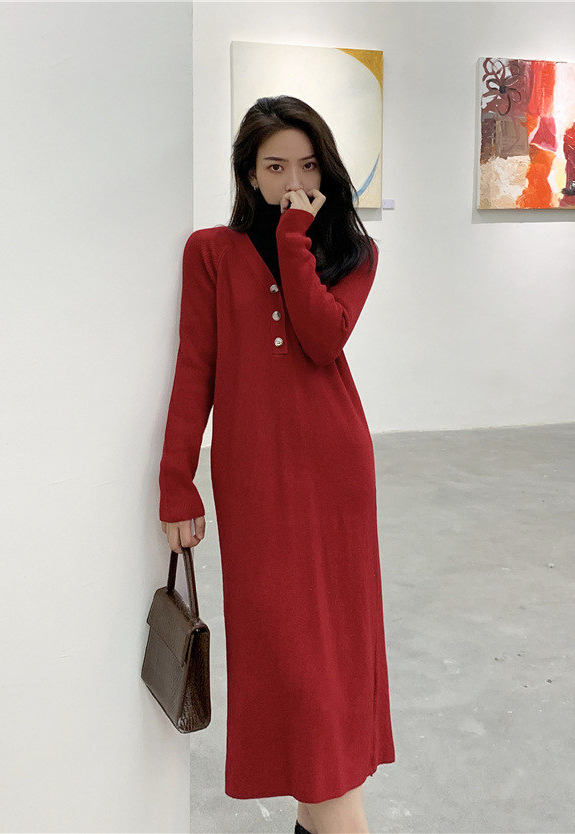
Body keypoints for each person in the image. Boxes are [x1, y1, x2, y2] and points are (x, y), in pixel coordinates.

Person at [159, 95, 395, 834]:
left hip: (336, 472)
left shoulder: (353, 254)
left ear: (327, 169)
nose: (293, 181)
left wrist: (296, 237)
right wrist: (175, 481)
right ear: (248, 174)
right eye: (274, 166)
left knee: (330, 664)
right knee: (290, 663)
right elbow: (195, 368)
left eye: (307, 165)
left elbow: (322, 338)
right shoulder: (210, 252)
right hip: (255, 483)